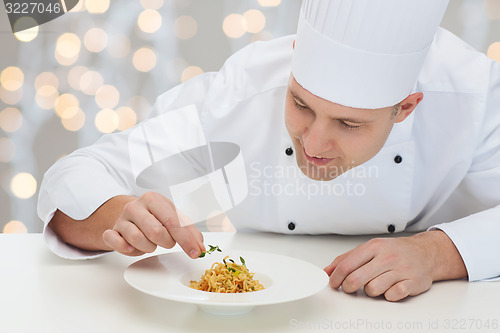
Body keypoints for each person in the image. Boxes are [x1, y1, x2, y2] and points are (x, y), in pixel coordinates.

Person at [38, 0, 500, 302]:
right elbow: (79, 173)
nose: (315, 144)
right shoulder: (234, 99)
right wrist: (117, 214)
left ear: (405, 108)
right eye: (301, 104)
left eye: (349, 123)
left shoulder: (472, 98)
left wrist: (438, 253)